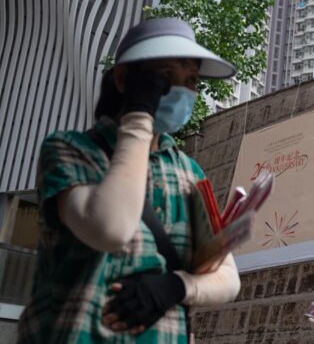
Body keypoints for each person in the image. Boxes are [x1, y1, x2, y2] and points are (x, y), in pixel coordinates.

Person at [18, 18, 241, 343]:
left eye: (191, 80)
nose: (181, 91)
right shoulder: (69, 149)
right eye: (166, 77)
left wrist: (177, 286)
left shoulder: (190, 173)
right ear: (124, 80)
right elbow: (110, 229)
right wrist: (140, 115)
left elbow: (228, 277)